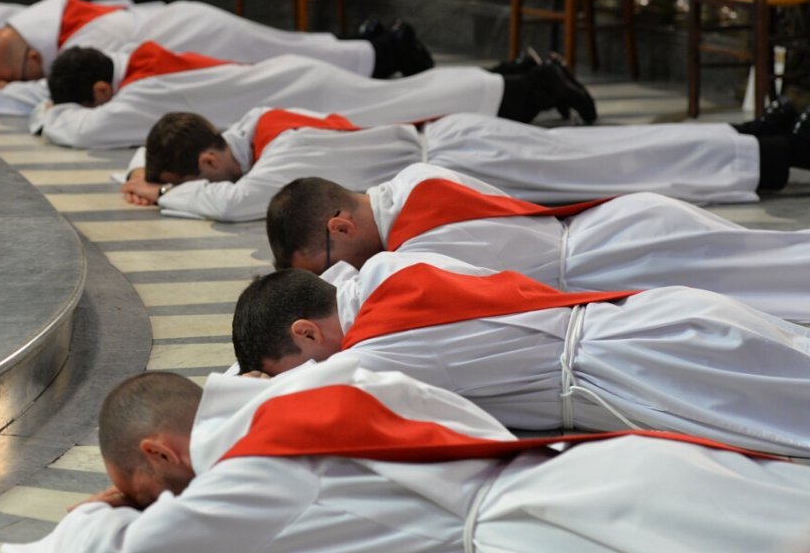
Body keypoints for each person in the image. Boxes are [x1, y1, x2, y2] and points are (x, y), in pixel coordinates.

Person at [0, 360, 810, 553]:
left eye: (144, 490)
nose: (154, 503)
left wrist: (93, 513)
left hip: (553, 527)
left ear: (160, 451)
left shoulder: (253, 476)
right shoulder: (313, 383)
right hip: (595, 469)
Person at [230, 250, 810, 456]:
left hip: (650, 367)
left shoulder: (380, 351)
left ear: (307, 334)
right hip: (655, 319)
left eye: (302, 365)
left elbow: (311, 401)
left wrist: (245, 383)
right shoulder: (390, 269)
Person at [259, 160, 810, 321]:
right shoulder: (412, 182)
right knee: (779, 266)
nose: (333, 275)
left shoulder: (414, 241)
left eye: (324, 264)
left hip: (623, 256)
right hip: (626, 233)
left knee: (783, 279)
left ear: (340, 227)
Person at [119, 103, 808, 223]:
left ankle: (776, 152)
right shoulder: (258, 130)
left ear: (213, 160)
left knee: (618, 165)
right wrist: (150, 170)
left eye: (193, 176)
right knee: (613, 155)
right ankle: (763, 143)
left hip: (468, 155)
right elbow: (206, 161)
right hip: (460, 144)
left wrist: (165, 195)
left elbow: (233, 202)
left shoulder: (280, 156)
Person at [31, 41, 593, 150]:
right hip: (296, 84)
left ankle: (538, 87)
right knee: (418, 95)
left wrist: (50, 111)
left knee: (421, 105)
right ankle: (526, 77)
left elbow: (86, 131)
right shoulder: (135, 62)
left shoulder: (135, 97)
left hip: (308, 95)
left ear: (102, 90)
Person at [0, 0, 432, 114]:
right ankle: (378, 47)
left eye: (15, 78)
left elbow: (51, 94)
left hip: (199, 38)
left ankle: (388, 52)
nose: (17, 84)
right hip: (190, 29)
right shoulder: (52, 25)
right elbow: (0, 59)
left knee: (285, 59)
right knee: (288, 51)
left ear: (34, 60)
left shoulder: (80, 43)